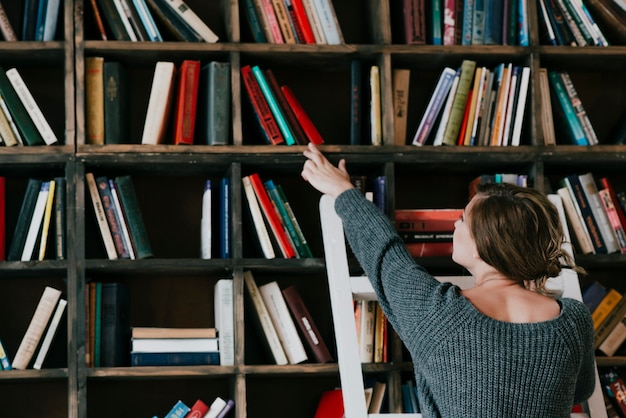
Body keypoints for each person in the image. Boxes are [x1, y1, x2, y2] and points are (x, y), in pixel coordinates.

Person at [301, 143, 596, 417]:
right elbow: (580, 391)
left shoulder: (439, 314)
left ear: (483, 245)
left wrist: (343, 191)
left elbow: (385, 256)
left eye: (464, 219)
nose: (456, 223)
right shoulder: (573, 321)